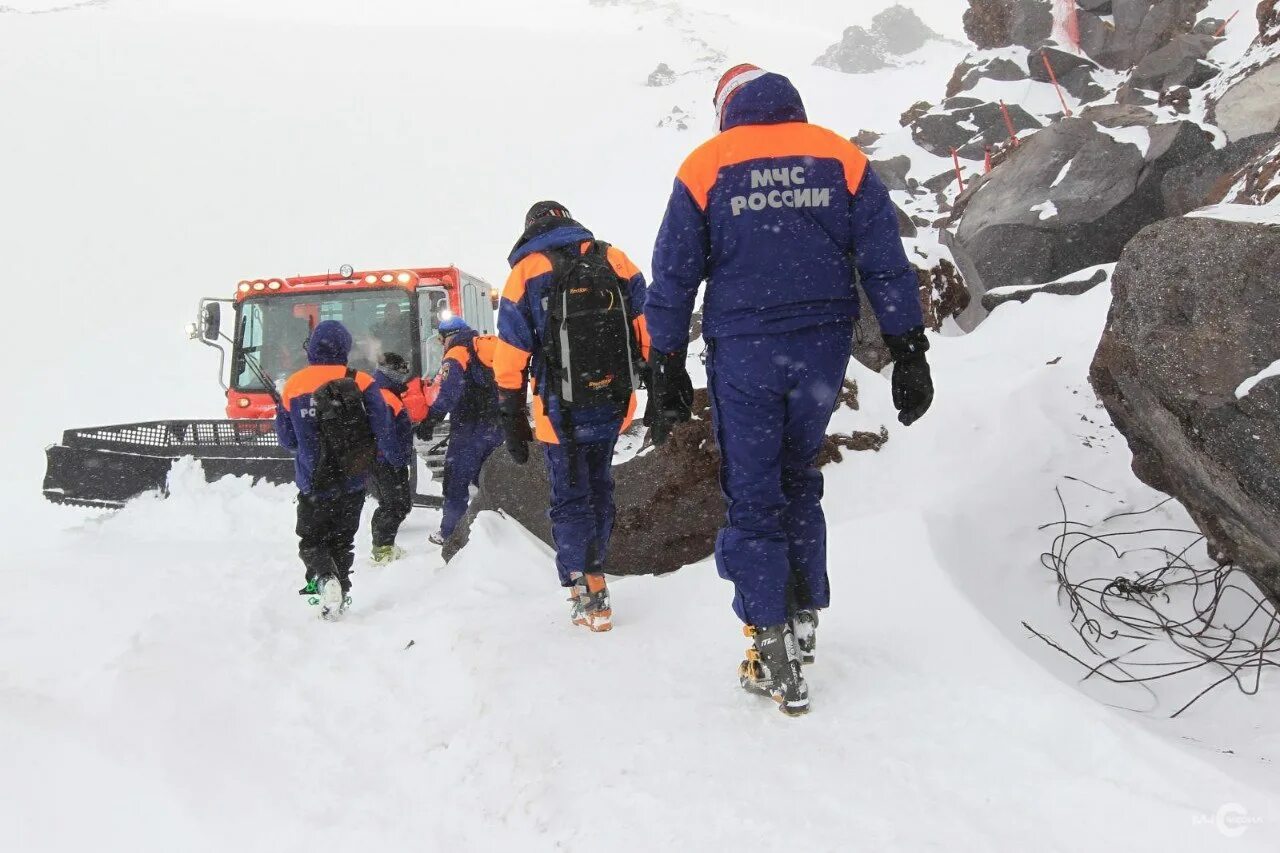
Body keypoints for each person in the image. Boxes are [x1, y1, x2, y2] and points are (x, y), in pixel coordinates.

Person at [644, 64, 934, 715]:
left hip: (746, 349)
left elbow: (673, 272)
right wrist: (908, 347)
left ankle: (769, 640)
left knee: (753, 489)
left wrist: (663, 361)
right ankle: (802, 616)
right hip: (821, 347)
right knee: (797, 475)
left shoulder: (706, 164)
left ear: (727, 109)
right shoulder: (838, 155)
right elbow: (885, 258)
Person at [494, 201, 650, 633]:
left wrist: (510, 409)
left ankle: (585, 586)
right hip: (613, 401)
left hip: (557, 409)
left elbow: (511, 348)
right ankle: (597, 565)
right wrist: (655, 381)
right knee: (600, 484)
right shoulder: (612, 257)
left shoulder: (526, 271)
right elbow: (646, 324)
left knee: (569, 495)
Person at [275, 320, 408, 619]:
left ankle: (324, 579)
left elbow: (287, 440)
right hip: (353, 478)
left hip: (313, 481)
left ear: (312, 348)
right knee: (343, 539)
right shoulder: (363, 381)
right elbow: (383, 428)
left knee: (312, 541)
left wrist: (309, 444)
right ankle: (341, 592)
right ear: (345, 348)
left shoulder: (294, 385)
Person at [415, 316, 504, 546]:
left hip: (469, 428)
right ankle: (503, 529)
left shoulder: (456, 354)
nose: (441, 344)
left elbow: (449, 393)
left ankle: (450, 533)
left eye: (440, 340)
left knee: (456, 480)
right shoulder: (484, 349)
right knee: (491, 477)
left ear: (448, 336)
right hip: (497, 425)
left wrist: (431, 419)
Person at [369, 351, 417, 565]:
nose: (405, 374)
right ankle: (382, 549)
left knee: (394, 504)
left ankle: (383, 545)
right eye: (401, 369)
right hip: (386, 459)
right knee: (395, 505)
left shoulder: (386, 391)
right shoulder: (386, 396)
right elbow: (386, 434)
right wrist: (397, 458)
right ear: (390, 371)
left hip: (385, 457)